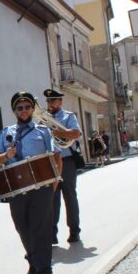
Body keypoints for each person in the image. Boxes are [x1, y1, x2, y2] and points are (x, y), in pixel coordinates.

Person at [0, 92, 59, 274]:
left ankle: (45, 271)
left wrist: (54, 184)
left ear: (32, 109)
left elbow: (54, 157)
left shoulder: (43, 131)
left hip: (41, 186)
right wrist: (7, 154)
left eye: (27, 107)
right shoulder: (5, 133)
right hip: (17, 188)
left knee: (42, 229)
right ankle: (33, 260)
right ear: (14, 111)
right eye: (19, 108)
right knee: (23, 227)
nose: (24, 111)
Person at [43, 89, 83, 244]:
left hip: (66, 161)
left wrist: (56, 132)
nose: (50, 104)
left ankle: (74, 231)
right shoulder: (44, 118)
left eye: (53, 101)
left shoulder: (68, 116)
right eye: (48, 101)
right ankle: (51, 232)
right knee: (51, 198)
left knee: (69, 196)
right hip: (49, 162)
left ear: (60, 102)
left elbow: (75, 134)